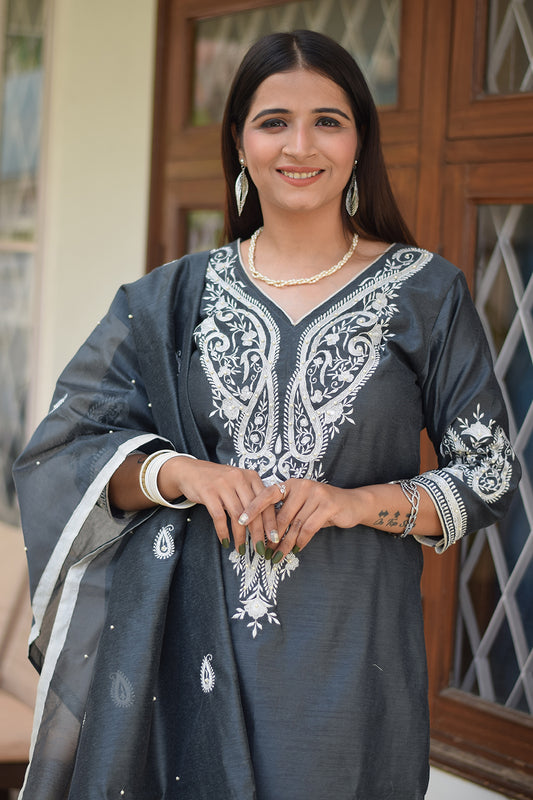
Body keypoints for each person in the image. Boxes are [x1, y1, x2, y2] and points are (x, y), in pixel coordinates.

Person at [14, 30, 520, 800]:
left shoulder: (427, 293)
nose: (300, 145)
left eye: (328, 120)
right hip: (189, 660)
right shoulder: (168, 300)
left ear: (359, 144)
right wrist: (179, 472)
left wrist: (358, 503)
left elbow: (489, 475)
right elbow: (64, 451)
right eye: (273, 121)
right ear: (240, 143)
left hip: (350, 661)